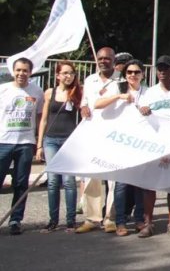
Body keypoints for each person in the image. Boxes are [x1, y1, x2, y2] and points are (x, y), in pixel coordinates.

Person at [135, 56, 170, 238]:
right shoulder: (149, 92)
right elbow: (140, 113)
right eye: (159, 69)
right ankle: (148, 223)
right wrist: (143, 110)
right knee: (149, 184)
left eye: (166, 68)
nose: (162, 72)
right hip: (154, 142)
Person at [93, 59, 148, 237]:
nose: (133, 75)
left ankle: (139, 219)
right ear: (125, 74)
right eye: (129, 72)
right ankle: (121, 221)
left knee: (139, 184)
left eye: (136, 72)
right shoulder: (118, 88)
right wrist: (118, 97)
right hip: (122, 144)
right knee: (121, 184)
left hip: (141, 144)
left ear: (142, 74)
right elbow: (97, 104)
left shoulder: (147, 92)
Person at [75, 47, 118, 234]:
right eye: (100, 58)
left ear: (113, 60)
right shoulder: (90, 80)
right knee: (92, 177)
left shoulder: (121, 80)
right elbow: (85, 101)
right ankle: (92, 218)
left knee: (113, 180)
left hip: (115, 135)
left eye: (107, 58)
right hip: (93, 134)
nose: (103, 61)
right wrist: (83, 107)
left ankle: (111, 218)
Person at [0, 57, 44, 235]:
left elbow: (41, 117)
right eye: (18, 70)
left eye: (25, 70)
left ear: (30, 72)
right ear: (13, 71)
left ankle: (15, 220)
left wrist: (38, 142)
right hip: (3, 141)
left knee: (20, 183)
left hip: (25, 143)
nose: (21, 73)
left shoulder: (37, 91)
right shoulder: (3, 90)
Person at [36, 60, 81, 233]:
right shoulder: (49, 93)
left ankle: (71, 220)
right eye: (65, 73)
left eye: (71, 73)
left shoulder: (77, 92)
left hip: (69, 140)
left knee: (69, 181)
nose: (68, 76)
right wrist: (39, 145)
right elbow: (44, 119)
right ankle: (53, 220)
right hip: (51, 140)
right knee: (53, 181)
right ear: (58, 75)